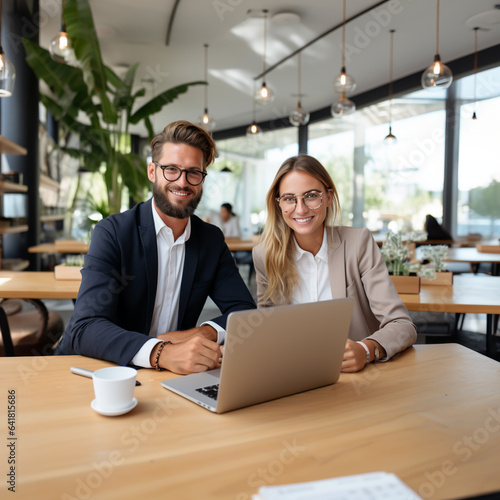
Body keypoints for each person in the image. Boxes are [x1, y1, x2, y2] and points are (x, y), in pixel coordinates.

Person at [56, 120, 256, 374]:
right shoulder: (114, 233)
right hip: (98, 372)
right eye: (171, 169)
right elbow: (86, 326)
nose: (183, 182)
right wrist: (162, 352)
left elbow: (244, 311)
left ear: (202, 179)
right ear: (152, 172)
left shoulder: (210, 240)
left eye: (194, 172)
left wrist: (199, 334)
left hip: (169, 378)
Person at [252, 154, 416, 373]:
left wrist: (366, 350)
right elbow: (267, 328)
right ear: (279, 204)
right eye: (289, 199)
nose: (300, 209)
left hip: (355, 378)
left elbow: (402, 325)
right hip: (293, 374)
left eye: (311, 196)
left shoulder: (358, 243)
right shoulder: (265, 255)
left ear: (328, 197)